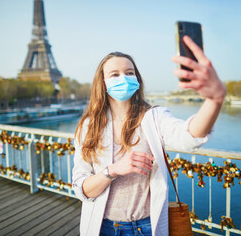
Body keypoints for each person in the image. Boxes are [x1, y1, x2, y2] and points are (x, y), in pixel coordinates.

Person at [72, 35, 226, 236]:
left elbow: (188, 136)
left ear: (137, 78)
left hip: (146, 227)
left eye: (129, 72)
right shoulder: (88, 127)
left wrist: (214, 100)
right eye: (114, 74)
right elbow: (82, 189)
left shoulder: (153, 117)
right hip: (104, 227)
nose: (124, 78)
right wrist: (113, 170)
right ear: (102, 82)